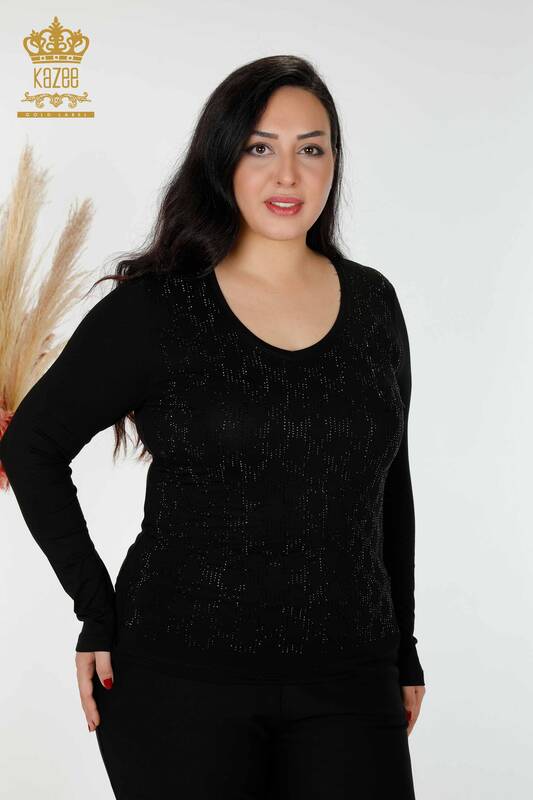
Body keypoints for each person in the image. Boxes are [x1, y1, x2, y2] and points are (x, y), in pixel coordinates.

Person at [0, 54, 426, 799]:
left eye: (311, 149)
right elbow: (31, 446)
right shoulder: (156, 309)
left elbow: (390, 486)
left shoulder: (373, 305)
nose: (287, 174)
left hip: (351, 680)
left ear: (333, 164)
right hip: (176, 684)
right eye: (260, 147)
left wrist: (405, 649)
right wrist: (96, 610)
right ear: (222, 158)